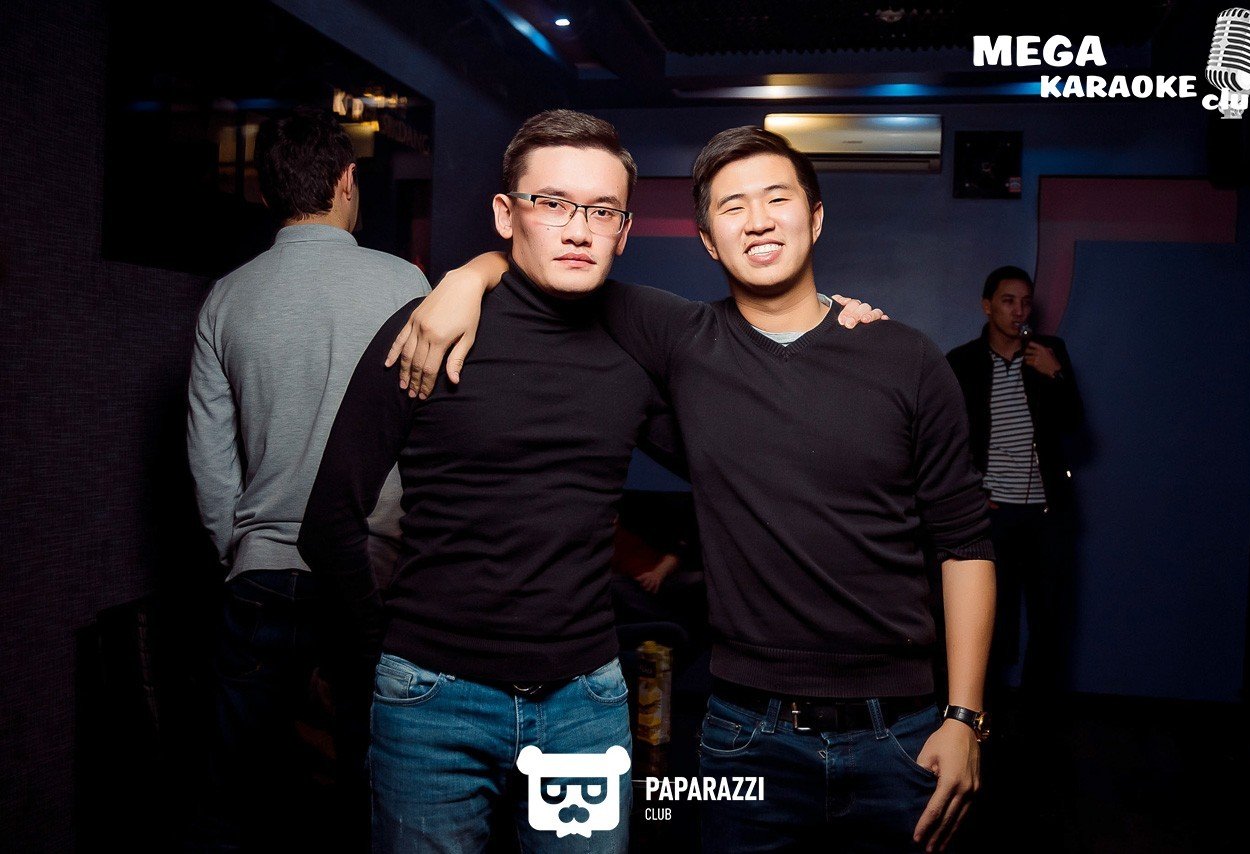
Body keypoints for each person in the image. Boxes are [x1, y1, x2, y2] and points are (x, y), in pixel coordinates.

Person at [389, 125, 997, 853]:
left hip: (902, 730)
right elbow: (552, 260)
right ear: (708, 240)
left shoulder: (907, 358)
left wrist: (965, 718)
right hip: (745, 732)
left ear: (816, 218)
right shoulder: (679, 338)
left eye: (777, 199)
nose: (758, 220)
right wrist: (469, 275)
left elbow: (965, 542)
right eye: (732, 207)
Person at [297, 111, 878, 853]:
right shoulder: (429, 330)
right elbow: (328, 521)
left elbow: (745, 443)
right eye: (552, 203)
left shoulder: (639, 334)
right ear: (506, 214)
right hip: (431, 702)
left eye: (602, 211)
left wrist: (841, 328)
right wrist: (385, 660)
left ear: (624, 230)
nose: (578, 230)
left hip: (585, 706)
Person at [185, 107, 429, 850]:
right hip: (370, 573)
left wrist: (242, 550)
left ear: (265, 193)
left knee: (231, 799)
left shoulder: (227, 296)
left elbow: (210, 461)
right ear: (348, 180)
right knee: (370, 792)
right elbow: (427, 438)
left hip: (261, 573)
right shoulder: (403, 282)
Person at [945, 267, 1084, 721]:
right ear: (987, 306)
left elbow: (1075, 425)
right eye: (1008, 301)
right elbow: (946, 438)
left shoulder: (1049, 353)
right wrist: (972, 493)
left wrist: (1056, 375)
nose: (1019, 311)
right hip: (992, 515)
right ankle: (985, 716)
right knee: (992, 619)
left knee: (1048, 618)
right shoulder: (963, 362)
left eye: (1025, 302)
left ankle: (1038, 720)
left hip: (1046, 513)